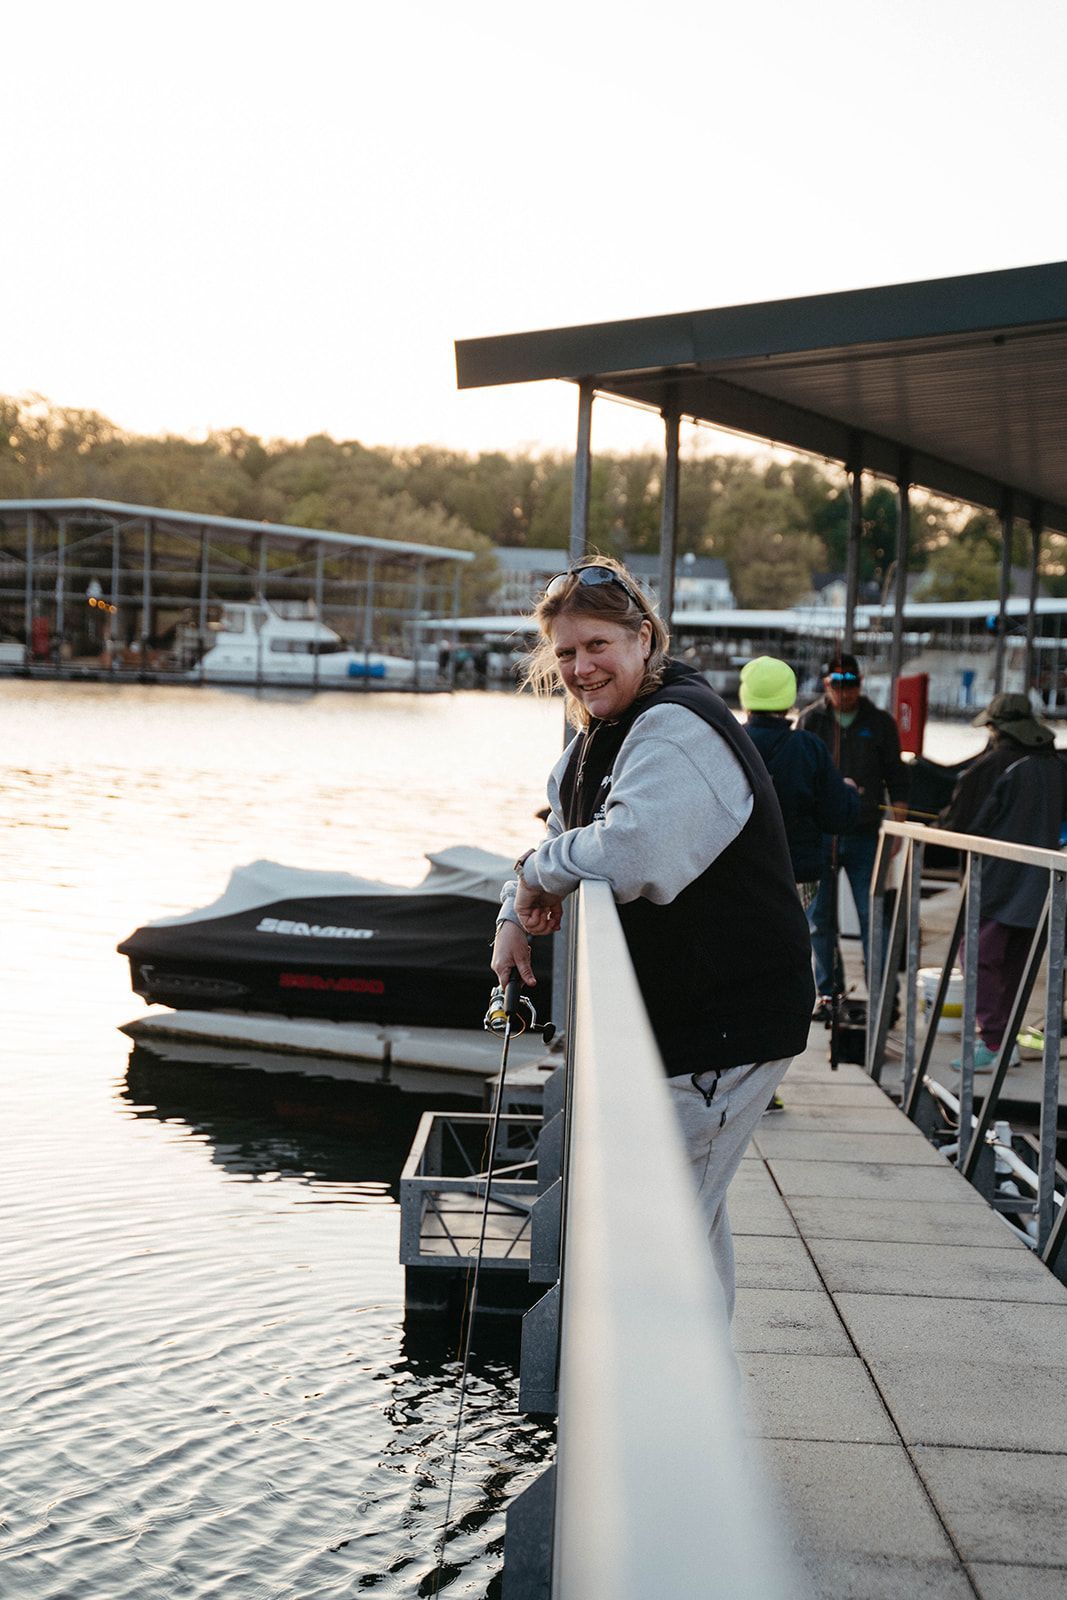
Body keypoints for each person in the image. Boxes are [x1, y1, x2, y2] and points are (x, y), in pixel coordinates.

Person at [491, 559, 814, 1319]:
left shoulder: (677, 725)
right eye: (565, 652)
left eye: (597, 644)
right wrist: (516, 907)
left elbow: (635, 853)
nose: (580, 667)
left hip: (722, 1023)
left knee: (662, 1224)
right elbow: (562, 833)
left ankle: (668, 1412)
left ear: (643, 637)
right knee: (684, 1216)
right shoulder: (595, 739)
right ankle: (696, 1408)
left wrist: (541, 873)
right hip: (680, 1019)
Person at [940, 692, 1067, 1071]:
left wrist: (936, 827)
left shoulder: (993, 765)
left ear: (997, 728)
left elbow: (960, 823)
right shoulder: (1056, 765)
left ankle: (993, 1042)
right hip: (1043, 885)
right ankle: (1003, 1042)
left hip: (996, 883)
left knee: (976, 956)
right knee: (1013, 965)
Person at [795, 651, 907, 1020]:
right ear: (825, 685)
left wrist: (897, 833)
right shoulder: (810, 720)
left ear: (860, 683)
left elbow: (898, 780)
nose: (845, 691)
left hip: (865, 837)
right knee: (819, 920)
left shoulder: (880, 723)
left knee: (872, 917)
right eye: (837, 684)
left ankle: (885, 998)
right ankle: (828, 994)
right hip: (821, 837)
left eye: (852, 683)